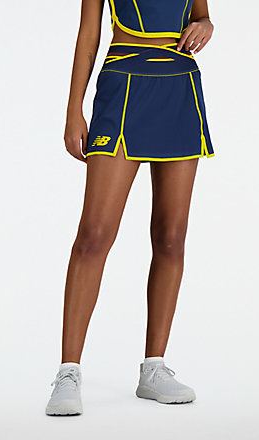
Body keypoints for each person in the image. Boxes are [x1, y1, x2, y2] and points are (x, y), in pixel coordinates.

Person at [46, 0, 215, 416]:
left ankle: (153, 368)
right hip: (123, 87)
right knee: (94, 235)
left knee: (171, 237)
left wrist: (206, 24)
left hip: (179, 88)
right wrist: (73, 110)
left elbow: (200, 15)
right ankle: (68, 372)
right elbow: (89, 35)